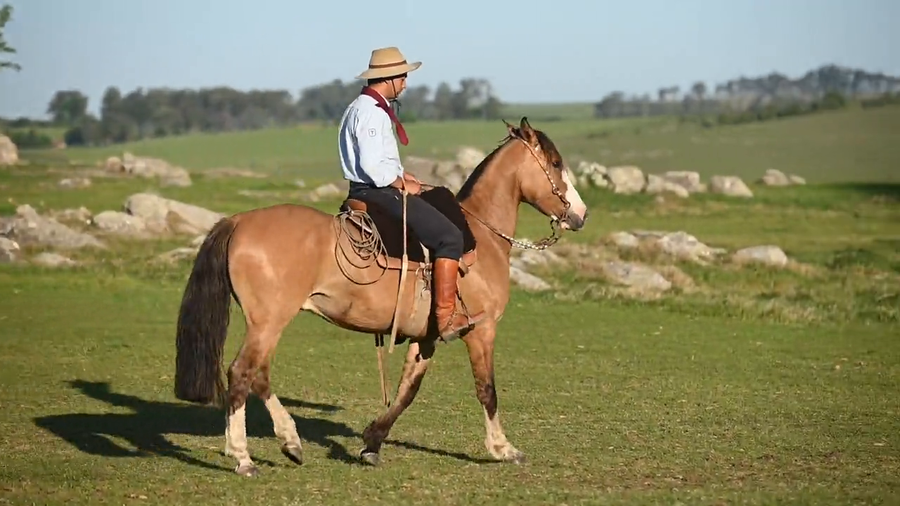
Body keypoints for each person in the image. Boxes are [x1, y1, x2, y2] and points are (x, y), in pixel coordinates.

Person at [338, 46, 485, 341]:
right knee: (450, 237)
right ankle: (446, 318)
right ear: (388, 78)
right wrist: (399, 183)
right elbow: (371, 166)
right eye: (403, 76)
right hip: (377, 192)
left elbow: (376, 159)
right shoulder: (371, 113)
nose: (405, 82)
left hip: (376, 187)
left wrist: (403, 175)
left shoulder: (363, 107)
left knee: (439, 197)